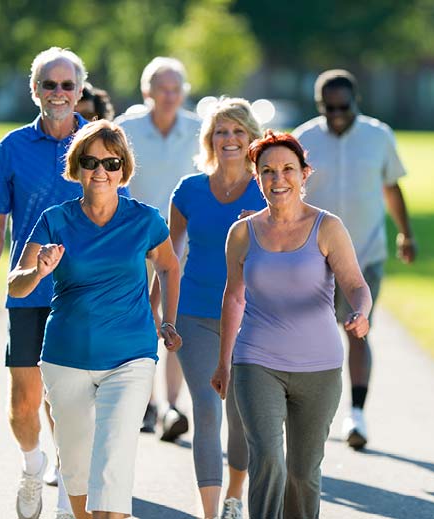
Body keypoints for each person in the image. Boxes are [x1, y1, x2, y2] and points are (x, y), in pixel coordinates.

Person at [0, 47, 125, 519]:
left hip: (84, 295)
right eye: (48, 84)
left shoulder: (100, 145)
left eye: (67, 85)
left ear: (80, 91)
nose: (58, 94)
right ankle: (31, 466)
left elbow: (119, 215)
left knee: (75, 405)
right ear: (35, 90)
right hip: (29, 290)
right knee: (25, 402)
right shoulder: (13, 147)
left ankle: (68, 495)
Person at [7, 119, 182, 519]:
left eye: (111, 162)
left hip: (131, 357)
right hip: (66, 357)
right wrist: (38, 272)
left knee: (113, 463)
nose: (101, 170)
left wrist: (166, 319)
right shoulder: (55, 219)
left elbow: (170, 267)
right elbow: (15, 286)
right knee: (77, 472)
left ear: (124, 170)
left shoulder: (146, 220)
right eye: (90, 161)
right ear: (76, 168)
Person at [211, 130, 372, 518]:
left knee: (303, 473)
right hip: (256, 361)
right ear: (256, 177)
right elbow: (234, 296)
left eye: (287, 169)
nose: (277, 178)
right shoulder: (242, 233)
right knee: (267, 459)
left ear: (304, 174)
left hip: (319, 367)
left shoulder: (327, 227)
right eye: (267, 171)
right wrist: (224, 362)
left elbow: (355, 283)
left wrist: (361, 312)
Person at [292, 69, 416, 450]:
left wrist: (406, 234)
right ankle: (309, 414)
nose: (336, 115)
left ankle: (357, 414)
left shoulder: (378, 136)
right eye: (328, 108)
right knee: (311, 334)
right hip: (312, 258)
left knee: (357, 330)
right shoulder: (304, 138)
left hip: (366, 254)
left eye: (342, 106)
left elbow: (391, 186)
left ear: (355, 101)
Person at [164, 97, 265, 519]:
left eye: (238, 131)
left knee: (240, 414)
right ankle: (209, 513)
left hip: (253, 319)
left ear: (251, 139)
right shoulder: (188, 190)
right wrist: (163, 315)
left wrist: (262, 222)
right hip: (195, 315)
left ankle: (234, 498)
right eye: (221, 131)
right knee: (207, 409)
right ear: (209, 139)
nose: (229, 139)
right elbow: (168, 258)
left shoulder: (269, 190)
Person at [115, 56, 201, 441]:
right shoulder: (125, 129)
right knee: (140, 322)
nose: (169, 96)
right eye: (162, 89)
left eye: (175, 89)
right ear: (146, 91)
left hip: (183, 244)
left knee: (175, 322)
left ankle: (171, 406)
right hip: (135, 241)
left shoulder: (200, 130)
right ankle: (145, 404)